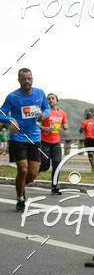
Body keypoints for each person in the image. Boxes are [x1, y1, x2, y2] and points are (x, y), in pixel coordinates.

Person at [0, 68, 50, 211]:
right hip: (18, 137)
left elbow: (46, 108)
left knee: (33, 174)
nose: (27, 81)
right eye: (24, 79)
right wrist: (10, 120)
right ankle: (20, 198)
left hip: (34, 137)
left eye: (29, 78)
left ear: (32, 79)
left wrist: (43, 115)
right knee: (23, 169)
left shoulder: (39, 93)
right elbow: (1, 113)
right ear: (19, 80)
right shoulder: (12, 96)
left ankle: (20, 187)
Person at [40, 93, 69, 195]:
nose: (51, 100)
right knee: (45, 165)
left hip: (56, 142)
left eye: (53, 98)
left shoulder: (62, 113)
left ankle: (54, 187)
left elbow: (65, 125)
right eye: (48, 99)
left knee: (57, 164)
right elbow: (35, 123)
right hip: (44, 142)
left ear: (57, 100)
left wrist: (65, 126)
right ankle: (33, 172)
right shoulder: (43, 111)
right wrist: (45, 128)